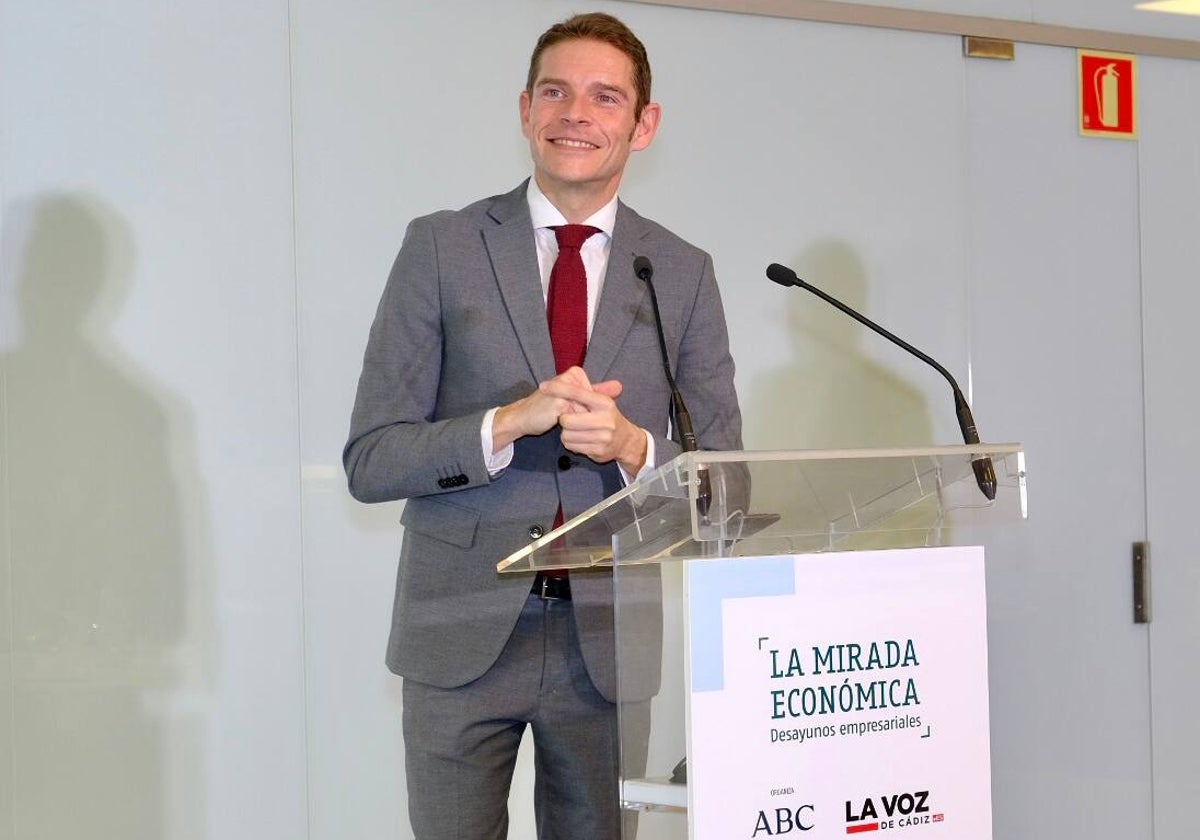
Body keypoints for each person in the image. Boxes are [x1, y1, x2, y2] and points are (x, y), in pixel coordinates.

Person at [344, 12, 741, 839]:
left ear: (643, 124)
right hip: (458, 631)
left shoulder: (681, 272)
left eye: (605, 97)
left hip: (607, 643)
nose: (576, 114)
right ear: (525, 108)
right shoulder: (442, 247)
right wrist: (503, 423)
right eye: (555, 92)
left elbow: (727, 485)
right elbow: (372, 459)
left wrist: (637, 449)